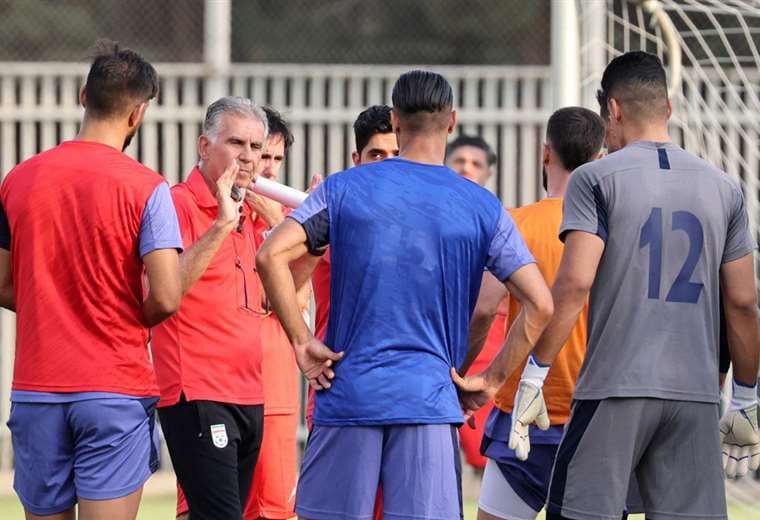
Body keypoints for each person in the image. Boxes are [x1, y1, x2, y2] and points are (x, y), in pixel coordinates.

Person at [256, 70, 554, 519]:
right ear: (451, 122)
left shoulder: (344, 188)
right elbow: (540, 304)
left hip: (348, 393)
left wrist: (301, 342)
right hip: (429, 402)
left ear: (395, 121)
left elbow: (269, 255)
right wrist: (490, 381)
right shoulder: (481, 206)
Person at [512, 51, 760, 520]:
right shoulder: (725, 188)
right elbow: (744, 303)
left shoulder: (594, 179)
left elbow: (574, 284)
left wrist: (534, 373)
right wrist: (746, 396)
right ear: (668, 108)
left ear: (613, 110)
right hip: (695, 395)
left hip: (614, 388)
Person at [0, 41, 184, 519]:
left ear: (84, 95)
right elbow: (165, 296)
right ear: (138, 113)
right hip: (113, 386)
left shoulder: (19, 179)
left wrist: (53, 304)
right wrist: (115, 313)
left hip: (37, 389)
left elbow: (0, 282)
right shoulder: (146, 186)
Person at [468, 107, 605, 520]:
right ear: (600, 161)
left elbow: (483, 310)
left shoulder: (516, 223)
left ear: (545, 153)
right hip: (592, 412)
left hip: (521, 416)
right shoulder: (611, 231)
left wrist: (463, 373)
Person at [151, 96, 268, 520]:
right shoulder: (175, 203)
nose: (249, 157)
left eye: (256, 147)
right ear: (204, 146)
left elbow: (281, 301)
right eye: (237, 143)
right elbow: (165, 292)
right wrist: (221, 223)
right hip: (197, 389)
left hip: (251, 391)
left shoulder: (252, 213)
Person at [445, 134, 501, 473]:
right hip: (437, 354)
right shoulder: (426, 218)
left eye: (476, 164)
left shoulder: (501, 225)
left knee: (488, 460)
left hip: (488, 359)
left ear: (487, 175)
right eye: (460, 161)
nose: (467, 168)